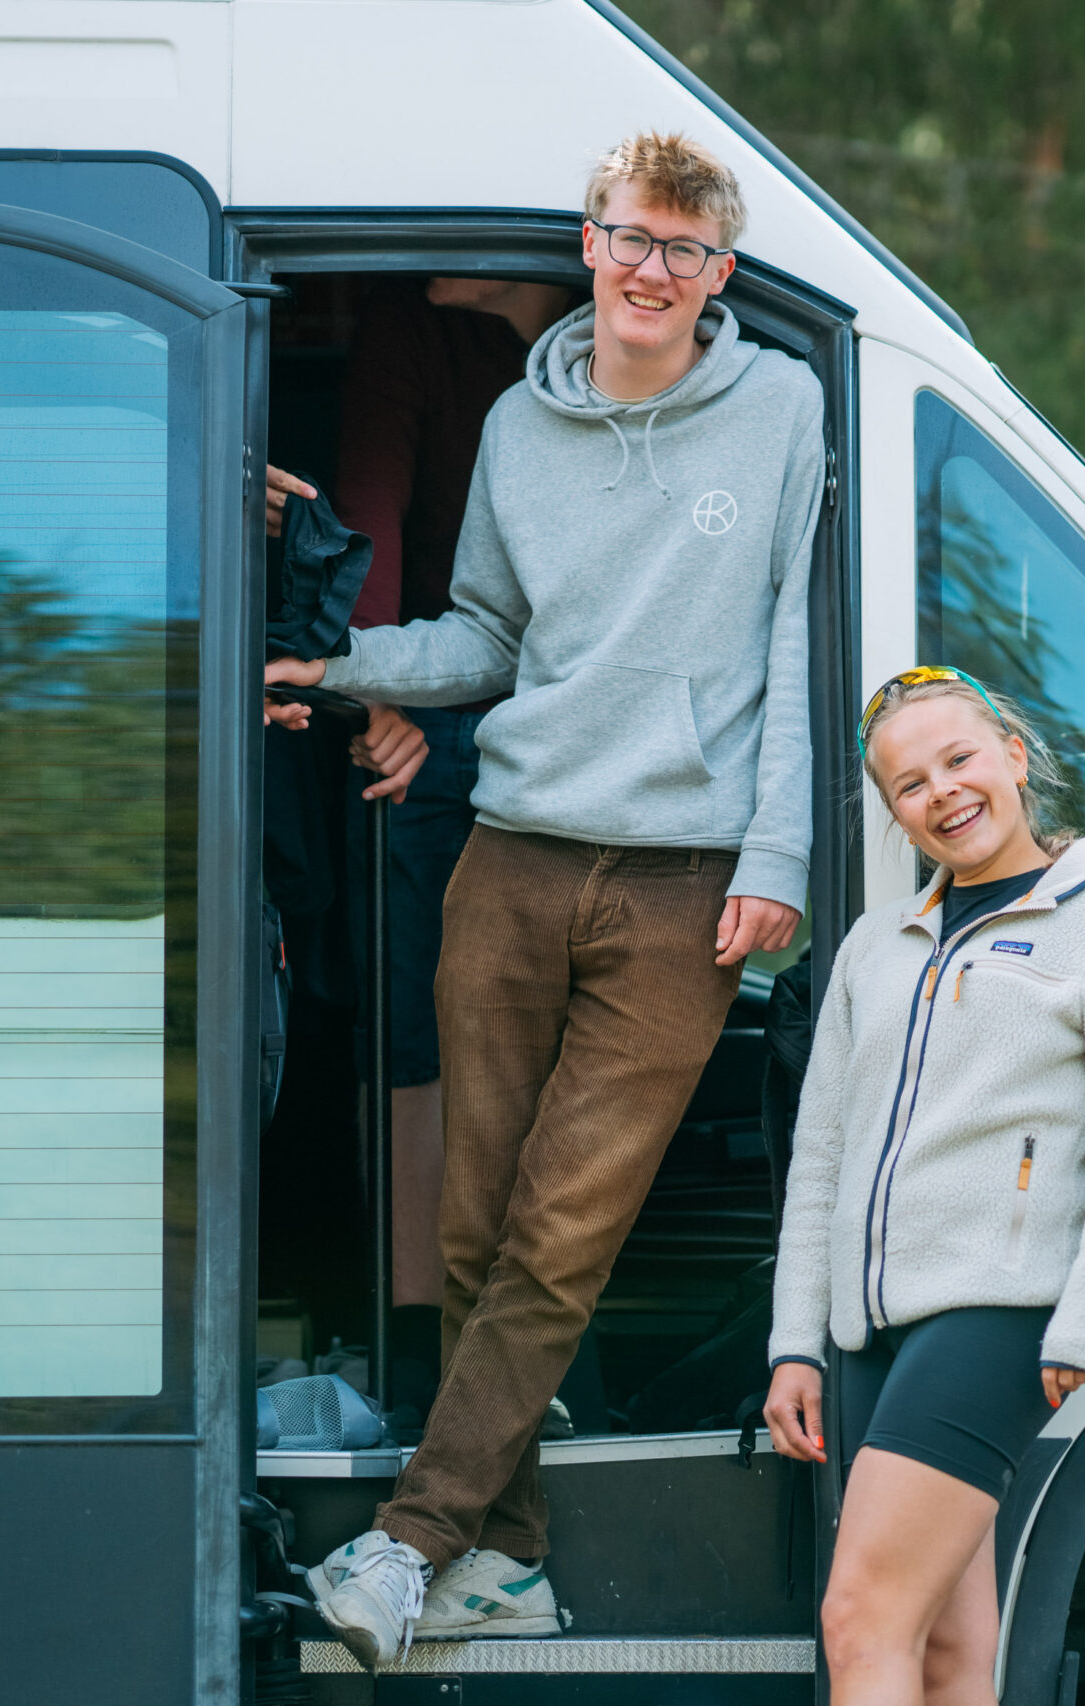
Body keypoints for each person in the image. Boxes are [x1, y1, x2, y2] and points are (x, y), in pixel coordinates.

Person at [266, 131, 825, 1666]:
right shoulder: (521, 425)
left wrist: (774, 857)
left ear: (722, 276)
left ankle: (406, 1538)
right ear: (589, 242)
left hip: (682, 885)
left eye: (689, 254)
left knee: (563, 1228)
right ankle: (506, 1552)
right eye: (633, 238)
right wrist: (340, 671)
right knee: (473, 1218)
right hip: (507, 858)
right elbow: (484, 641)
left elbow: (794, 650)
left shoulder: (783, 407)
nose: (655, 273)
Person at [763, 668, 1085, 1706]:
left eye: (958, 758)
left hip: (996, 1312)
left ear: (1011, 752)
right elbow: (820, 1154)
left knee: (859, 1616)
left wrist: (1084, 1320)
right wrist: (795, 1341)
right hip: (870, 1331)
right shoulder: (874, 945)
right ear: (894, 809)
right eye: (908, 783)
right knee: (948, 1648)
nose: (942, 793)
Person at [264, 271, 576, 1419]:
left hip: (577, 717)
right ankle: (418, 1343)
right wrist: (375, 686)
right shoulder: (409, 320)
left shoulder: (617, 343)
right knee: (418, 1035)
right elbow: (367, 509)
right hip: (436, 694)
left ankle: (530, 1345)